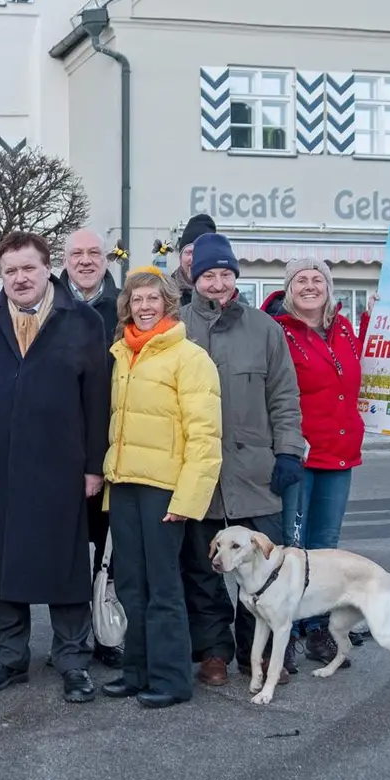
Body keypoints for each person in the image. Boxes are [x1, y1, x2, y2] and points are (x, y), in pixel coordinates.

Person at [0, 231, 109, 704]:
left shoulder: (82, 320)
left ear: (47, 269)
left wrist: (94, 465)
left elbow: (98, 399)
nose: (19, 278)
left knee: (64, 565)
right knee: (2, 562)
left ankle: (73, 660)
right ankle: (10, 657)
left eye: (28, 269)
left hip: (61, 461)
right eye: (10, 270)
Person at [179, 233, 305, 688]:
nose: (216, 283)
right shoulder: (176, 326)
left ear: (236, 277)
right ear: (195, 279)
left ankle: (267, 655)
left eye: (225, 274)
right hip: (198, 474)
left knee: (264, 572)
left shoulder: (265, 329)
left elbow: (285, 396)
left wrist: (289, 450)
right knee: (204, 568)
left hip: (255, 472)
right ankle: (214, 652)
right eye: (208, 275)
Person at [100, 267, 222, 709]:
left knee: (164, 587)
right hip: (126, 485)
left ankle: (172, 679)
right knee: (132, 585)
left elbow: (205, 436)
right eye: (137, 300)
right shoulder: (122, 356)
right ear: (127, 307)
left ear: (168, 303)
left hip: (164, 490)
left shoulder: (189, 358)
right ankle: (137, 672)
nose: (145, 307)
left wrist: (188, 499)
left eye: (153, 299)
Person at [260, 259, 375, 667]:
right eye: (301, 280)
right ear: (289, 289)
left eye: (317, 280)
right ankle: (284, 630)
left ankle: (318, 628)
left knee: (326, 547)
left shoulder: (342, 327)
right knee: (293, 548)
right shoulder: (275, 330)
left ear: (328, 287)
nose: (310, 286)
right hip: (300, 453)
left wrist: (382, 320)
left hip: (340, 452)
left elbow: (364, 365)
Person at [60, 227, 125, 668]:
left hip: (112, 445)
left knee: (107, 547)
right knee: (65, 547)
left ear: (107, 258)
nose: (85, 261)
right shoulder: (48, 307)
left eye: (94, 253)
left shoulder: (124, 307)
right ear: (64, 261)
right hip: (59, 447)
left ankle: (107, 632)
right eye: (77, 253)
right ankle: (70, 638)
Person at [169, 214, 217, 306]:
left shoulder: (225, 293)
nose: (194, 258)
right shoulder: (165, 292)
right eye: (189, 252)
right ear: (180, 257)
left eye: (201, 252)